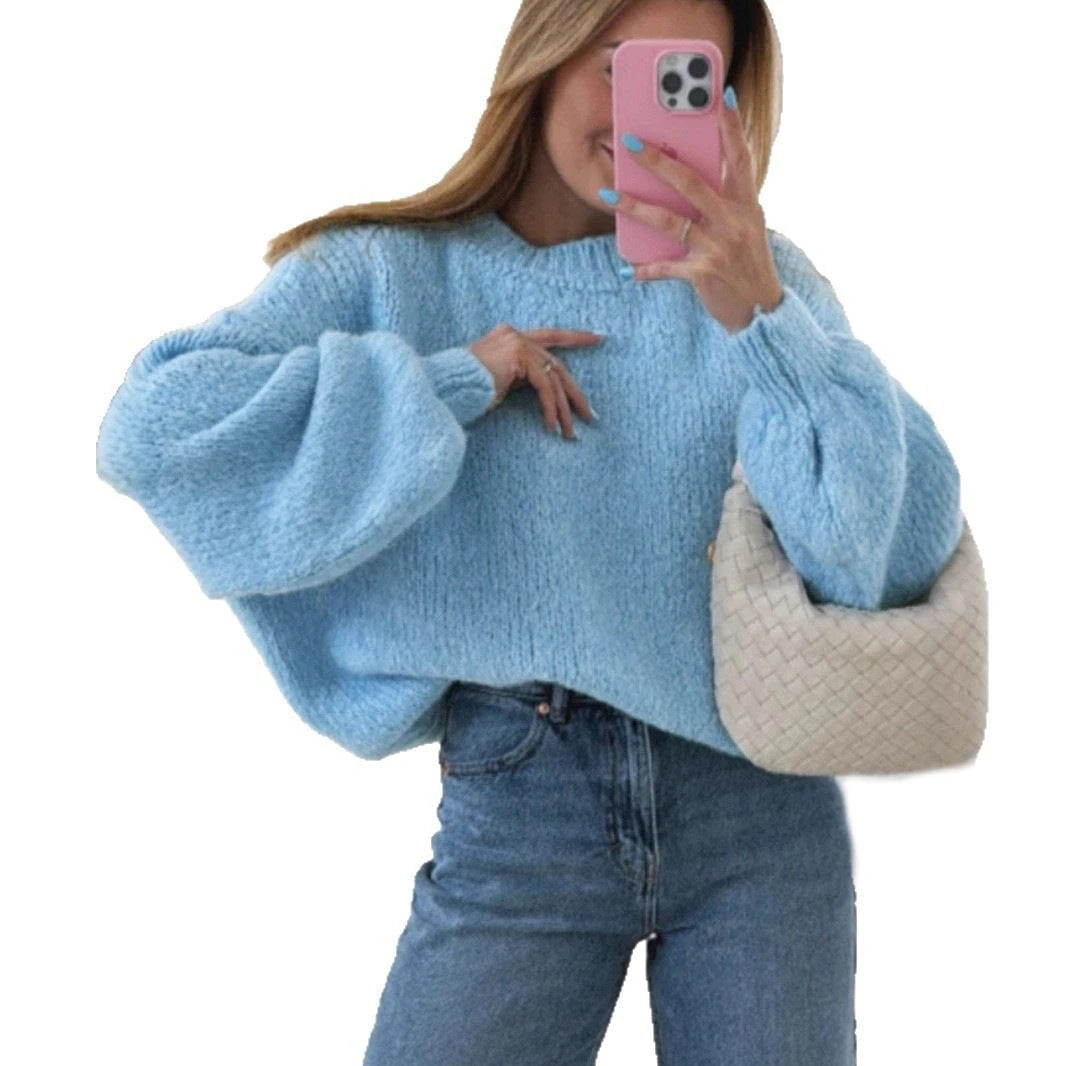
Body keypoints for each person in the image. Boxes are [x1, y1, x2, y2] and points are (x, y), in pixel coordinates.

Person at [96, 0, 966, 1062]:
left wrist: (763, 320)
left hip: (759, 814)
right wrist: (455, 378)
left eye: (684, 80)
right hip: (524, 800)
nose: (641, 115)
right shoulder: (389, 271)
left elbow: (885, 561)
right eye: (617, 67)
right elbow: (154, 431)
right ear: (543, 60)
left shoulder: (757, 285)